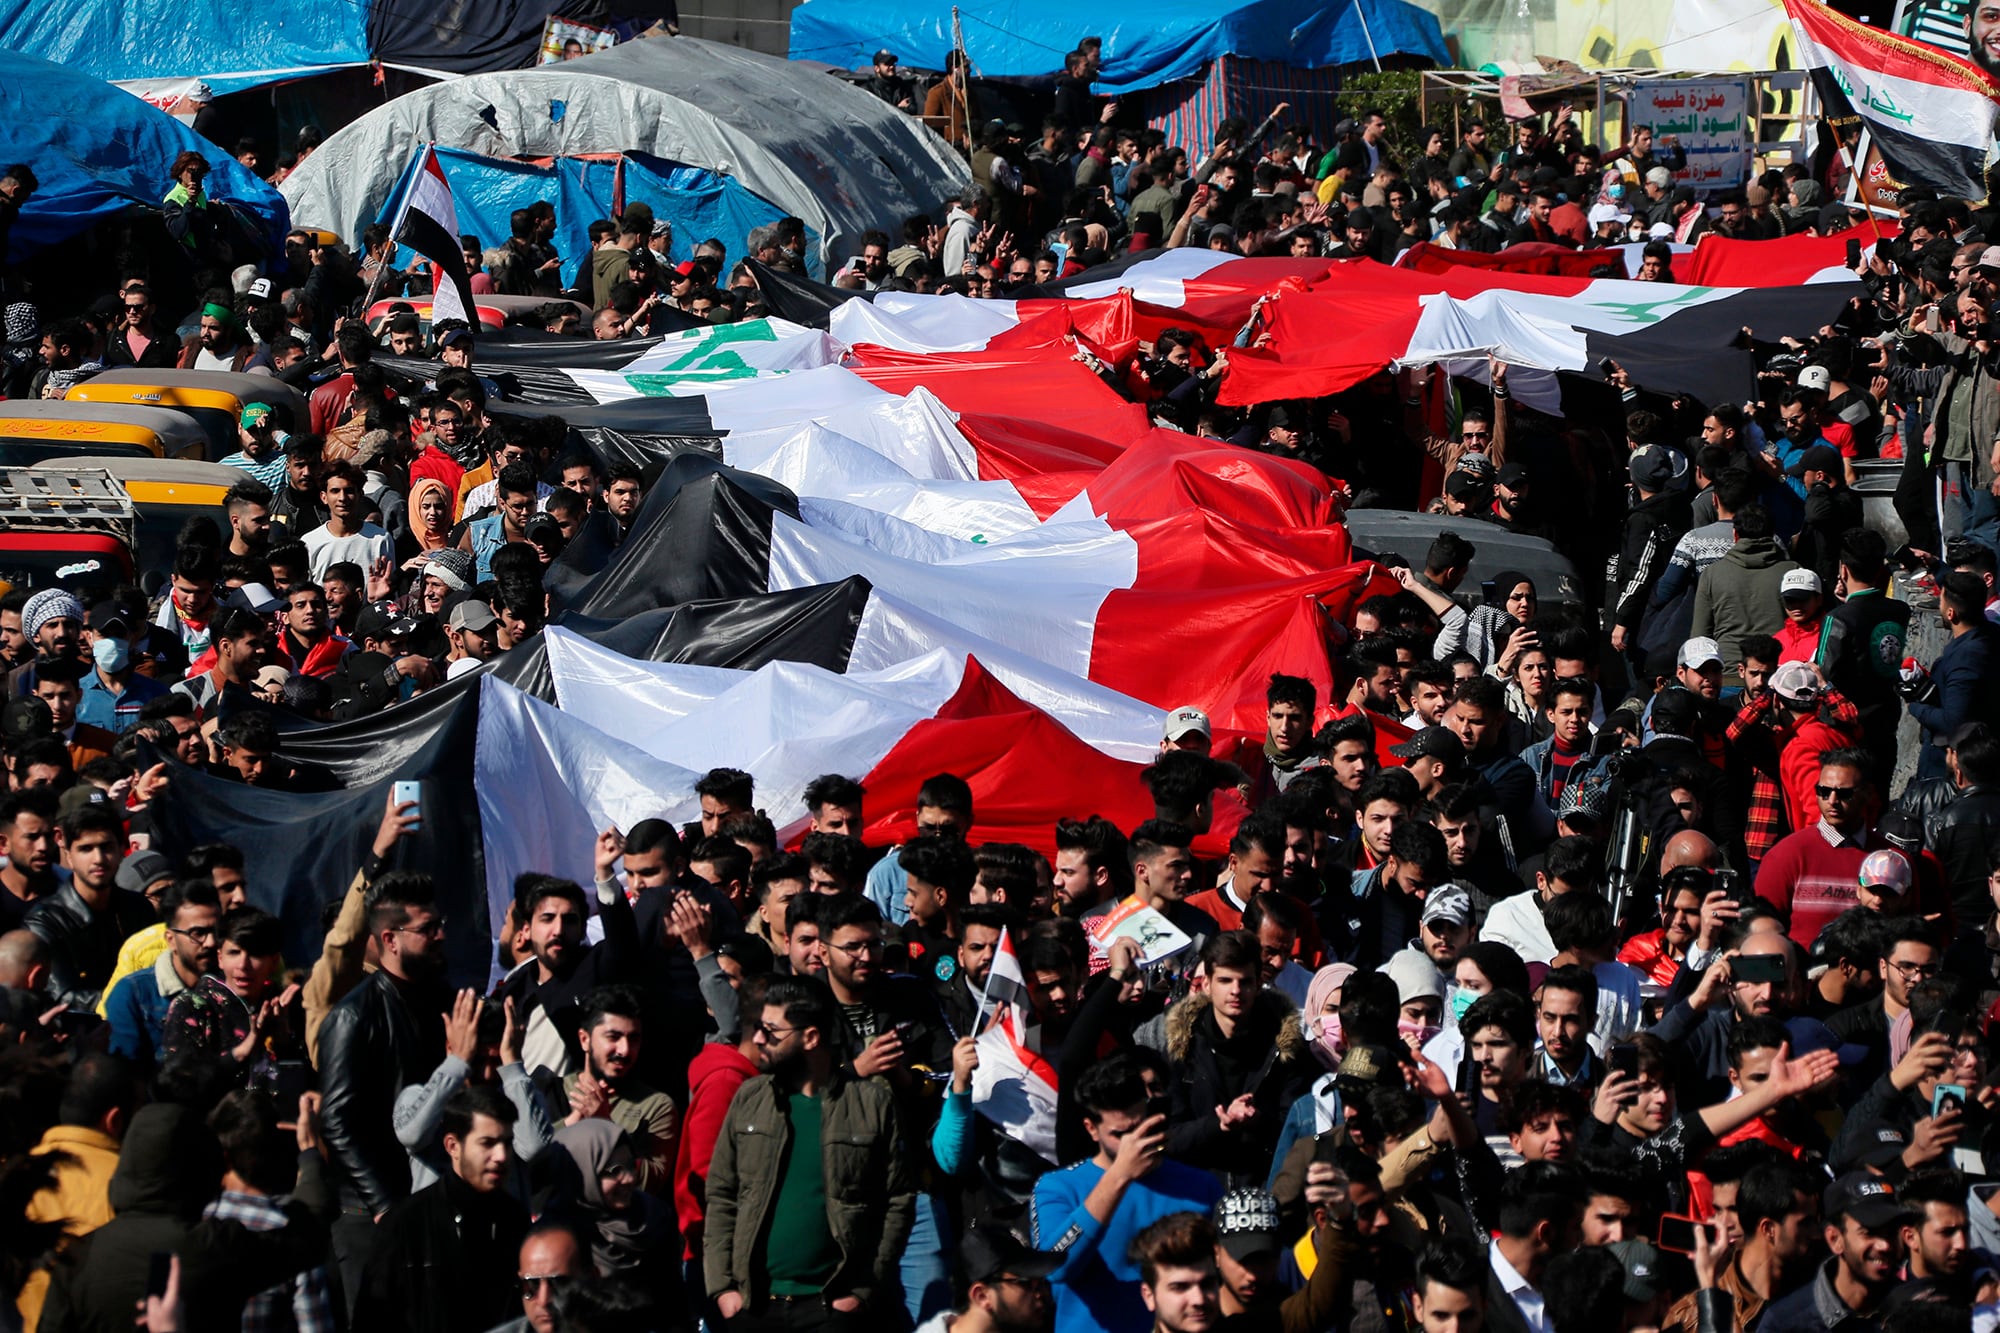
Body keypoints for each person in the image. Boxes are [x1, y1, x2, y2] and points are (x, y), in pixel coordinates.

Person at [705, 974, 915, 1325]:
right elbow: (721, 1194)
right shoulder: (749, 1099)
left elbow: (897, 1201)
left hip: (829, 1310)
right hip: (753, 1307)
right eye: (758, 1027)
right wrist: (723, 1289)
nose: (758, 1039)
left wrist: (863, 1292)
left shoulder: (872, 1105)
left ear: (811, 1037)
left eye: (771, 1032)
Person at [318, 871, 448, 1312]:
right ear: (390, 939)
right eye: (427, 929)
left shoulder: (439, 1002)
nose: (440, 935)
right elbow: (336, 1120)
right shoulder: (354, 1016)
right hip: (368, 1211)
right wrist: (383, 1206)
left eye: (439, 924)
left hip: (430, 1195)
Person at [1035, 1052, 1224, 1333]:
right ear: (1092, 1129)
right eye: (1120, 1135)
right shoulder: (1057, 1187)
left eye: (1139, 1128)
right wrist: (1119, 1176)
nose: (1134, 1143)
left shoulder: (1200, 1185)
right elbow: (1055, 1267)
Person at [355, 1084, 532, 1333]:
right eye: (487, 1143)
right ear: (452, 1146)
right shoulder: (406, 1224)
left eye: (507, 1142)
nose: (501, 1155)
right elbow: (373, 1317)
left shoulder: (514, 1220)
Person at [1757, 1173, 1913, 1333]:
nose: (1884, 1245)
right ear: (1835, 1239)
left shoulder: (1918, 1309)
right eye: (1869, 1232)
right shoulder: (1784, 1323)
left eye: (1891, 1232)